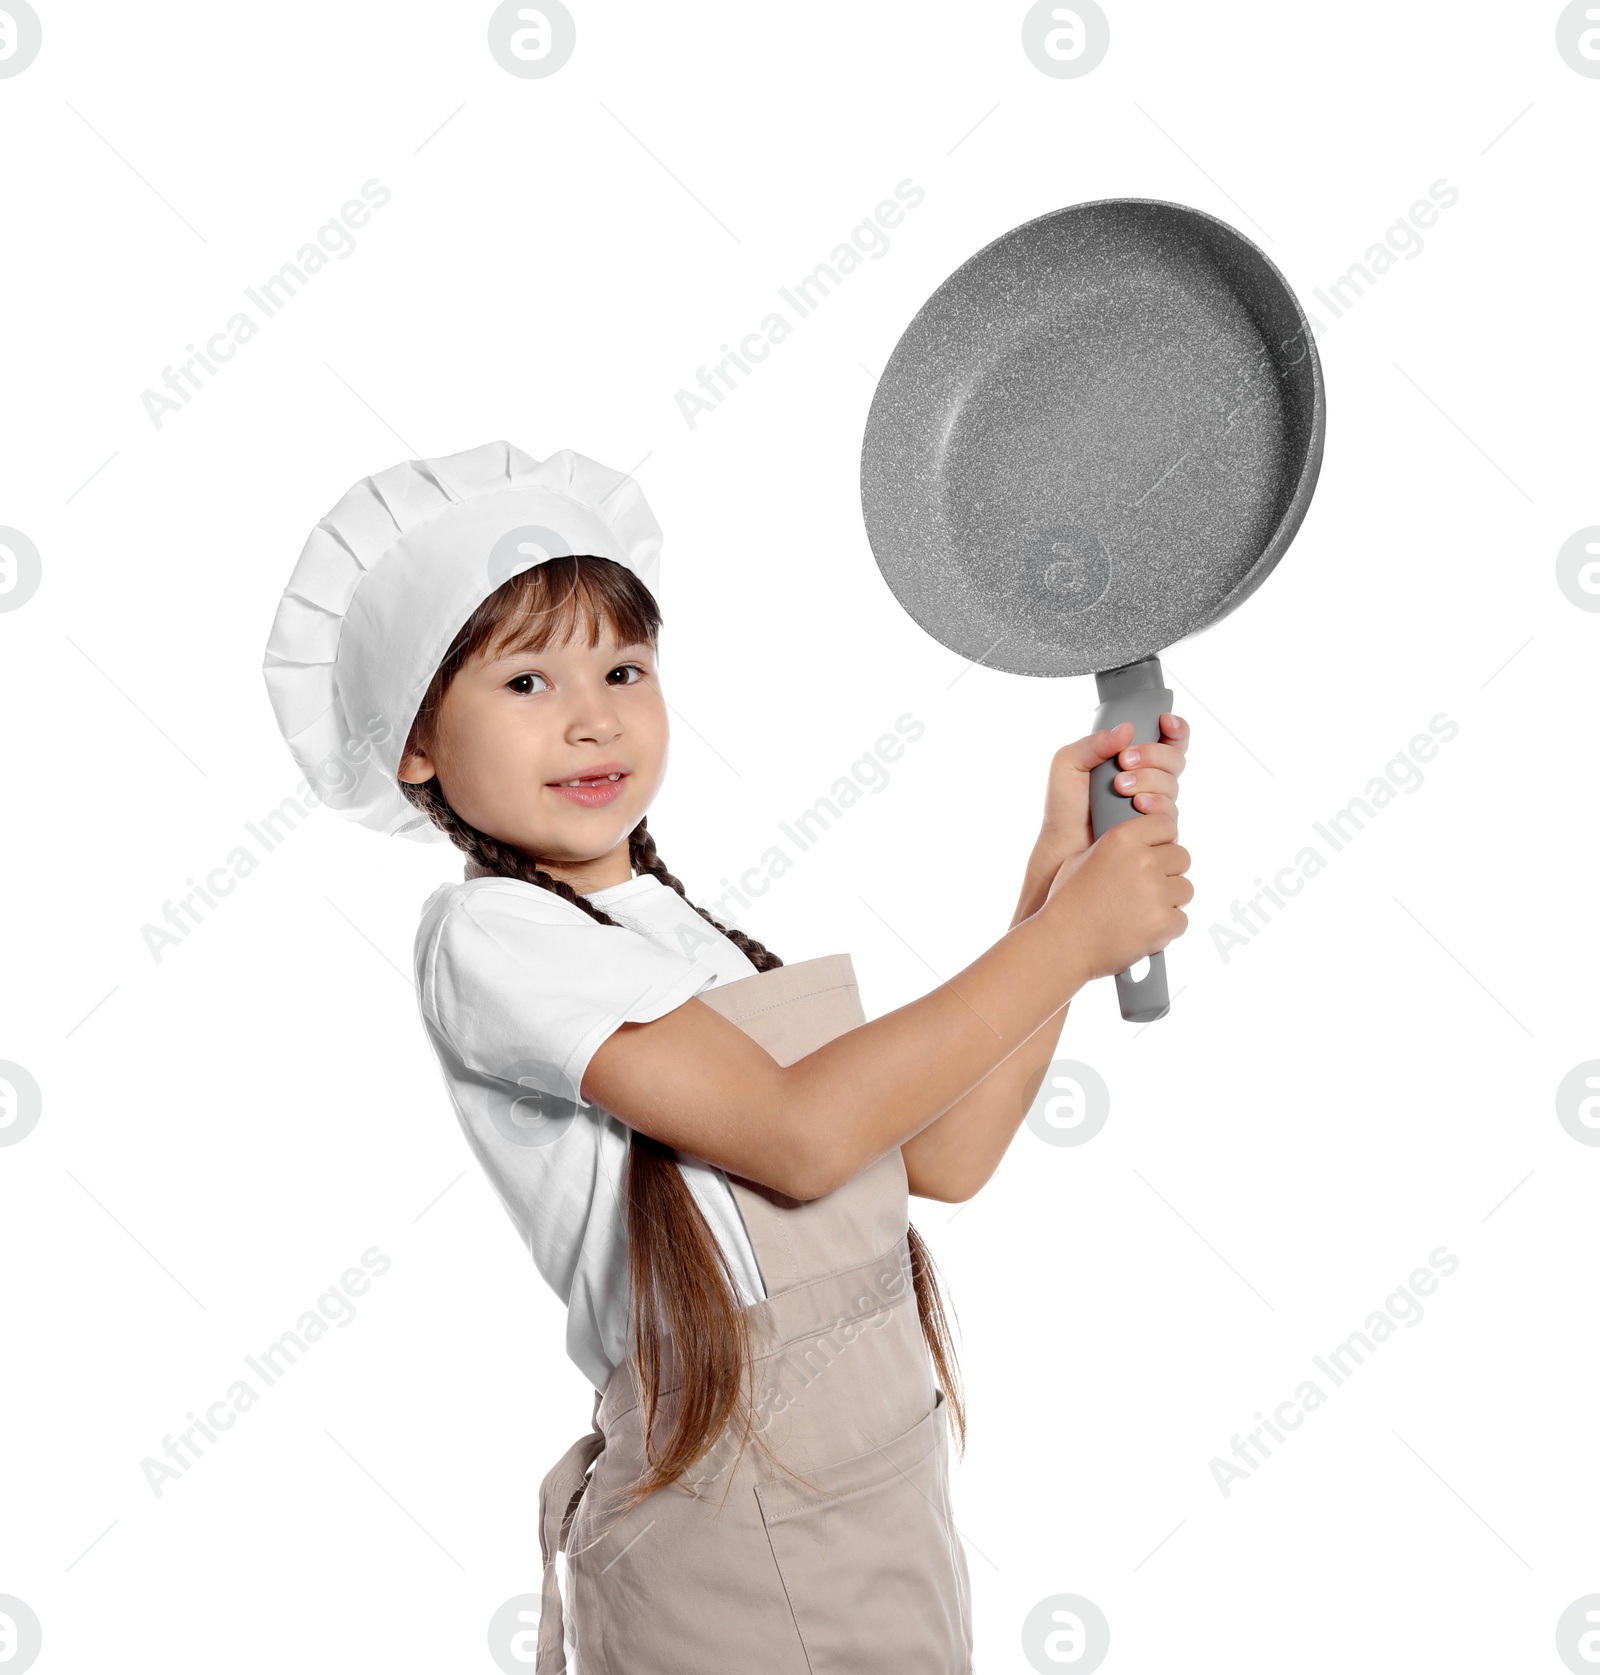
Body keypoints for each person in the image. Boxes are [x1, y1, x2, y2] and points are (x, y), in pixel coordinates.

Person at [262, 439, 1192, 1674]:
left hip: (880, 1491)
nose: (592, 713)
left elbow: (948, 1154)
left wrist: (1054, 880)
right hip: (726, 1519)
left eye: (623, 666)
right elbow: (798, 1137)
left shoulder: (683, 927)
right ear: (416, 747)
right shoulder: (492, 936)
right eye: (526, 682)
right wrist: (1075, 938)